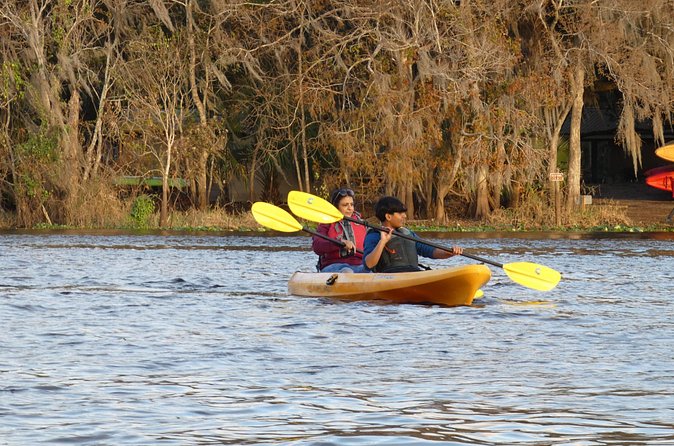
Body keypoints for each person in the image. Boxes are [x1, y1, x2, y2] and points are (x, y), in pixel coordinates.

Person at [363, 196, 463, 273]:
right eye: (400, 213)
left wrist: (449, 252)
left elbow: (429, 250)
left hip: (413, 273)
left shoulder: (407, 233)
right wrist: (382, 241)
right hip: (390, 276)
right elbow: (368, 264)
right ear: (388, 216)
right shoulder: (374, 235)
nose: (405, 216)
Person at [312, 188, 368, 273]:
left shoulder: (362, 223)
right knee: (347, 271)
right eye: (345, 205)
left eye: (351, 205)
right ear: (336, 207)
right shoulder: (326, 223)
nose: (350, 208)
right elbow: (317, 246)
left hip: (359, 265)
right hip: (334, 265)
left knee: (371, 271)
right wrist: (339, 243)